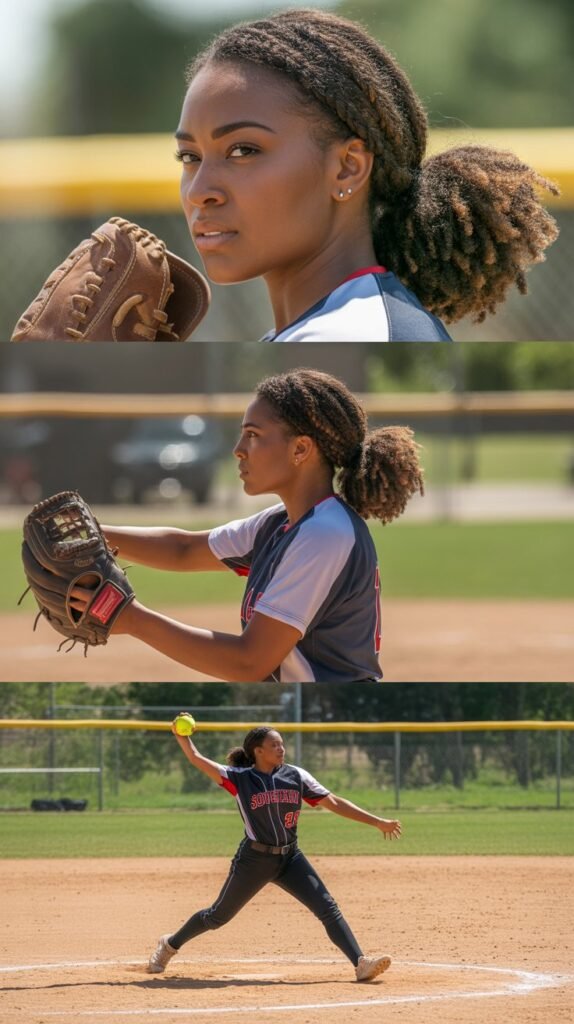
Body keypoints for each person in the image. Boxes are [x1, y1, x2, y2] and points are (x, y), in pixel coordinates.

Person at [176, 8, 559, 342]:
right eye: (189, 156)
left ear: (348, 168)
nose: (198, 191)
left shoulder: (353, 330)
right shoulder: (336, 325)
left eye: (242, 150)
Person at [72, 368, 423, 682]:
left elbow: (249, 662)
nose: (239, 450)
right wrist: (91, 532)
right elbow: (184, 549)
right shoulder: (281, 522)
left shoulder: (324, 534)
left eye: (253, 435)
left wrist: (131, 619)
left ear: (300, 449)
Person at [147, 720, 401, 981]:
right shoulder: (239, 778)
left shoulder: (296, 775)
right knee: (217, 917)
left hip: (291, 858)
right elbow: (197, 759)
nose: (281, 749)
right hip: (254, 860)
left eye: (282, 744)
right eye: (274, 745)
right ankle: (169, 945)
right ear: (258, 751)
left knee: (328, 908)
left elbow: (333, 801)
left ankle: (360, 963)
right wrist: (181, 735)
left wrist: (376, 821)